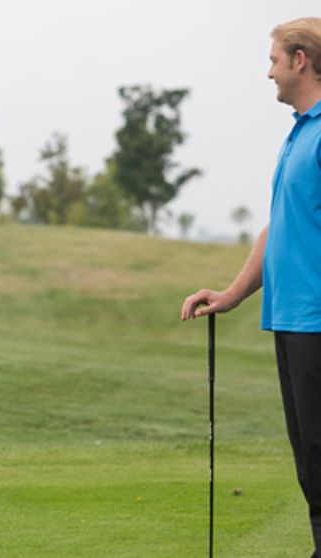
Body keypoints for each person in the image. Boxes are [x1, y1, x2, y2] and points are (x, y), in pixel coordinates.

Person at [181, 17, 321, 556]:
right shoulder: (300, 133)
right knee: (310, 459)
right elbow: (279, 224)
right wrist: (233, 294)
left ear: (300, 59)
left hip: (317, 321)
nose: (268, 73)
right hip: (291, 320)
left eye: (273, 60)